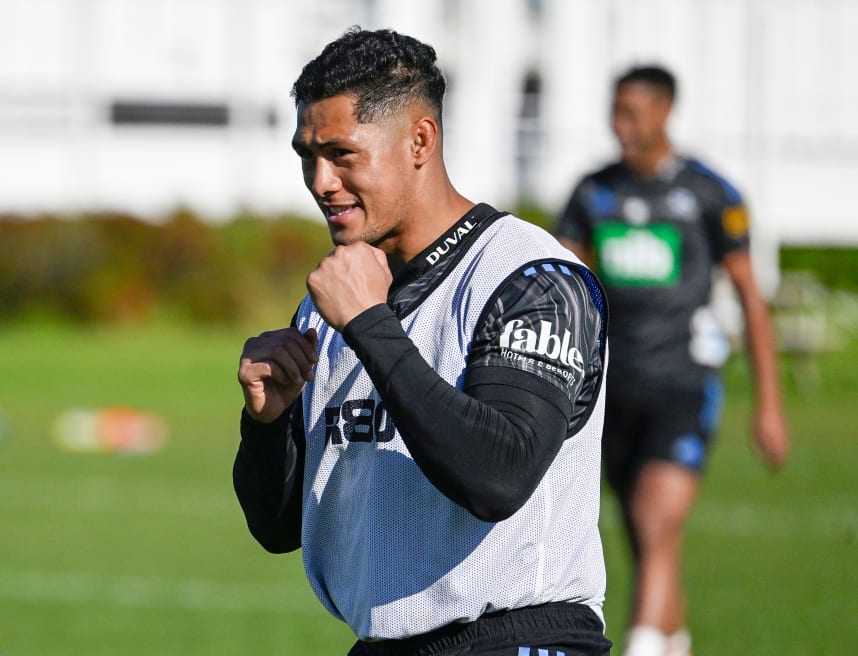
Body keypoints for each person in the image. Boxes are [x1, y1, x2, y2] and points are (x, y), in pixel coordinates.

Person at [233, 27, 612, 655]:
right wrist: (269, 424)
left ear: (419, 140)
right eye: (307, 155)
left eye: (342, 154)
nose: (320, 180)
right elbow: (278, 527)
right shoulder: (334, 301)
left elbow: (498, 476)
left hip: (517, 638)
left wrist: (371, 328)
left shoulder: (530, 277)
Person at [555, 65, 790, 656]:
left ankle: (639, 646)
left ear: (664, 112)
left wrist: (769, 404)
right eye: (615, 111)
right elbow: (560, 290)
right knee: (644, 539)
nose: (620, 125)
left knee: (658, 525)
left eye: (632, 112)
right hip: (610, 391)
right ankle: (675, 642)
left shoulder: (709, 193)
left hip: (683, 385)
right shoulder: (592, 193)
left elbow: (751, 301)